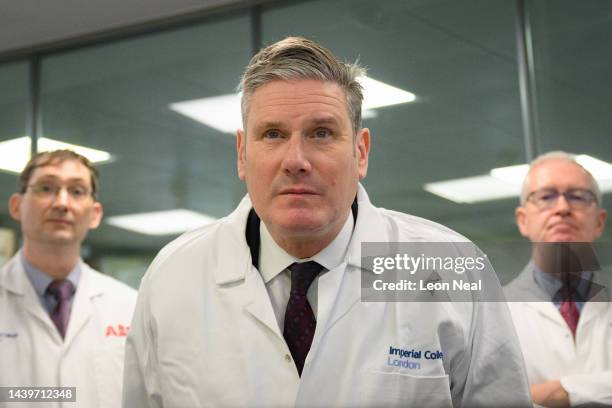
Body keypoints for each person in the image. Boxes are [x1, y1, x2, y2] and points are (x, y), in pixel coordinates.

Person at [123, 37, 531, 408]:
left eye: (321, 132)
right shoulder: (172, 276)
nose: (296, 161)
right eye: (272, 134)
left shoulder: (450, 268)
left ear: (361, 151)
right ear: (242, 154)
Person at [0, 150, 137, 408]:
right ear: (17, 206)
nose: (62, 202)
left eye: (77, 191)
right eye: (46, 188)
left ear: (95, 213)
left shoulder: (129, 306)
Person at [505, 151, 612, 407]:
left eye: (577, 197)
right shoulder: (493, 312)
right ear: (523, 220)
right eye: (546, 197)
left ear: (599, 222)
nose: (562, 208)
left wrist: (561, 391)